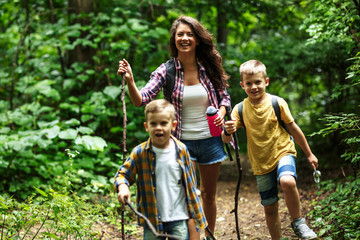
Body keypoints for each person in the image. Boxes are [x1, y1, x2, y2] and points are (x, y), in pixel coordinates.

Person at [117, 16, 231, 240]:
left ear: (197, 39)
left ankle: (208, 236)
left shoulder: (209, 66)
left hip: (211, 139)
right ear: (174, 39)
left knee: (208, 195)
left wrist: (222, 112)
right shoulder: (166, 70)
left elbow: (224, 96)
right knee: (186, 195)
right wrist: (130, 81)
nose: (185, 38)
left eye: (189, 34)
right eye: (180, 34)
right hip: (180, 143)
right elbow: (142, 99)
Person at [222, 60, 318, 240]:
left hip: (283, 151)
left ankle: (298, 222)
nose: (254, 87)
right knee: (270, 206)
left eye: (258, 82)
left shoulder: (277, 103)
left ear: (266, 81)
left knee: (287, 181)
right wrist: (227, 131)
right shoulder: (239, 109)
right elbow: (226, 139)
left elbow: (293, 129)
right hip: (260, 161)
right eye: (249, 83)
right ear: (242, 85)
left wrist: (309, 153)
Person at [114, 99, 207, 239]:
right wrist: (123, 187)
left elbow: (190, 186)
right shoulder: (140, 153)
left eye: (163, 123)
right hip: (151, 217)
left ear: (173, 125)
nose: (158, 127)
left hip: (178, 217)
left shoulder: (181, 150)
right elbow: (122, 175)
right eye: (153, 123)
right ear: (146, 126)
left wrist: (194, 216)